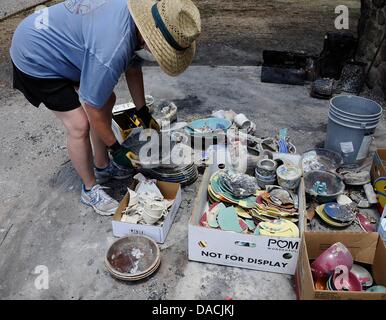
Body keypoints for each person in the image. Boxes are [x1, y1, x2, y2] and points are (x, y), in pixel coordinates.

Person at [10, 0, 201, 215]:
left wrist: (143, 112)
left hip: (57, 41)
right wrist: (116, 148)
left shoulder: (136, 19)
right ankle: (90, 189)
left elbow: (133, 68)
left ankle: (102, 167)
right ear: (150, 37)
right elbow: (91, 106)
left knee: (107, 99)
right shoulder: (112, 49)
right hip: (35, 55)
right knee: (79, 125)